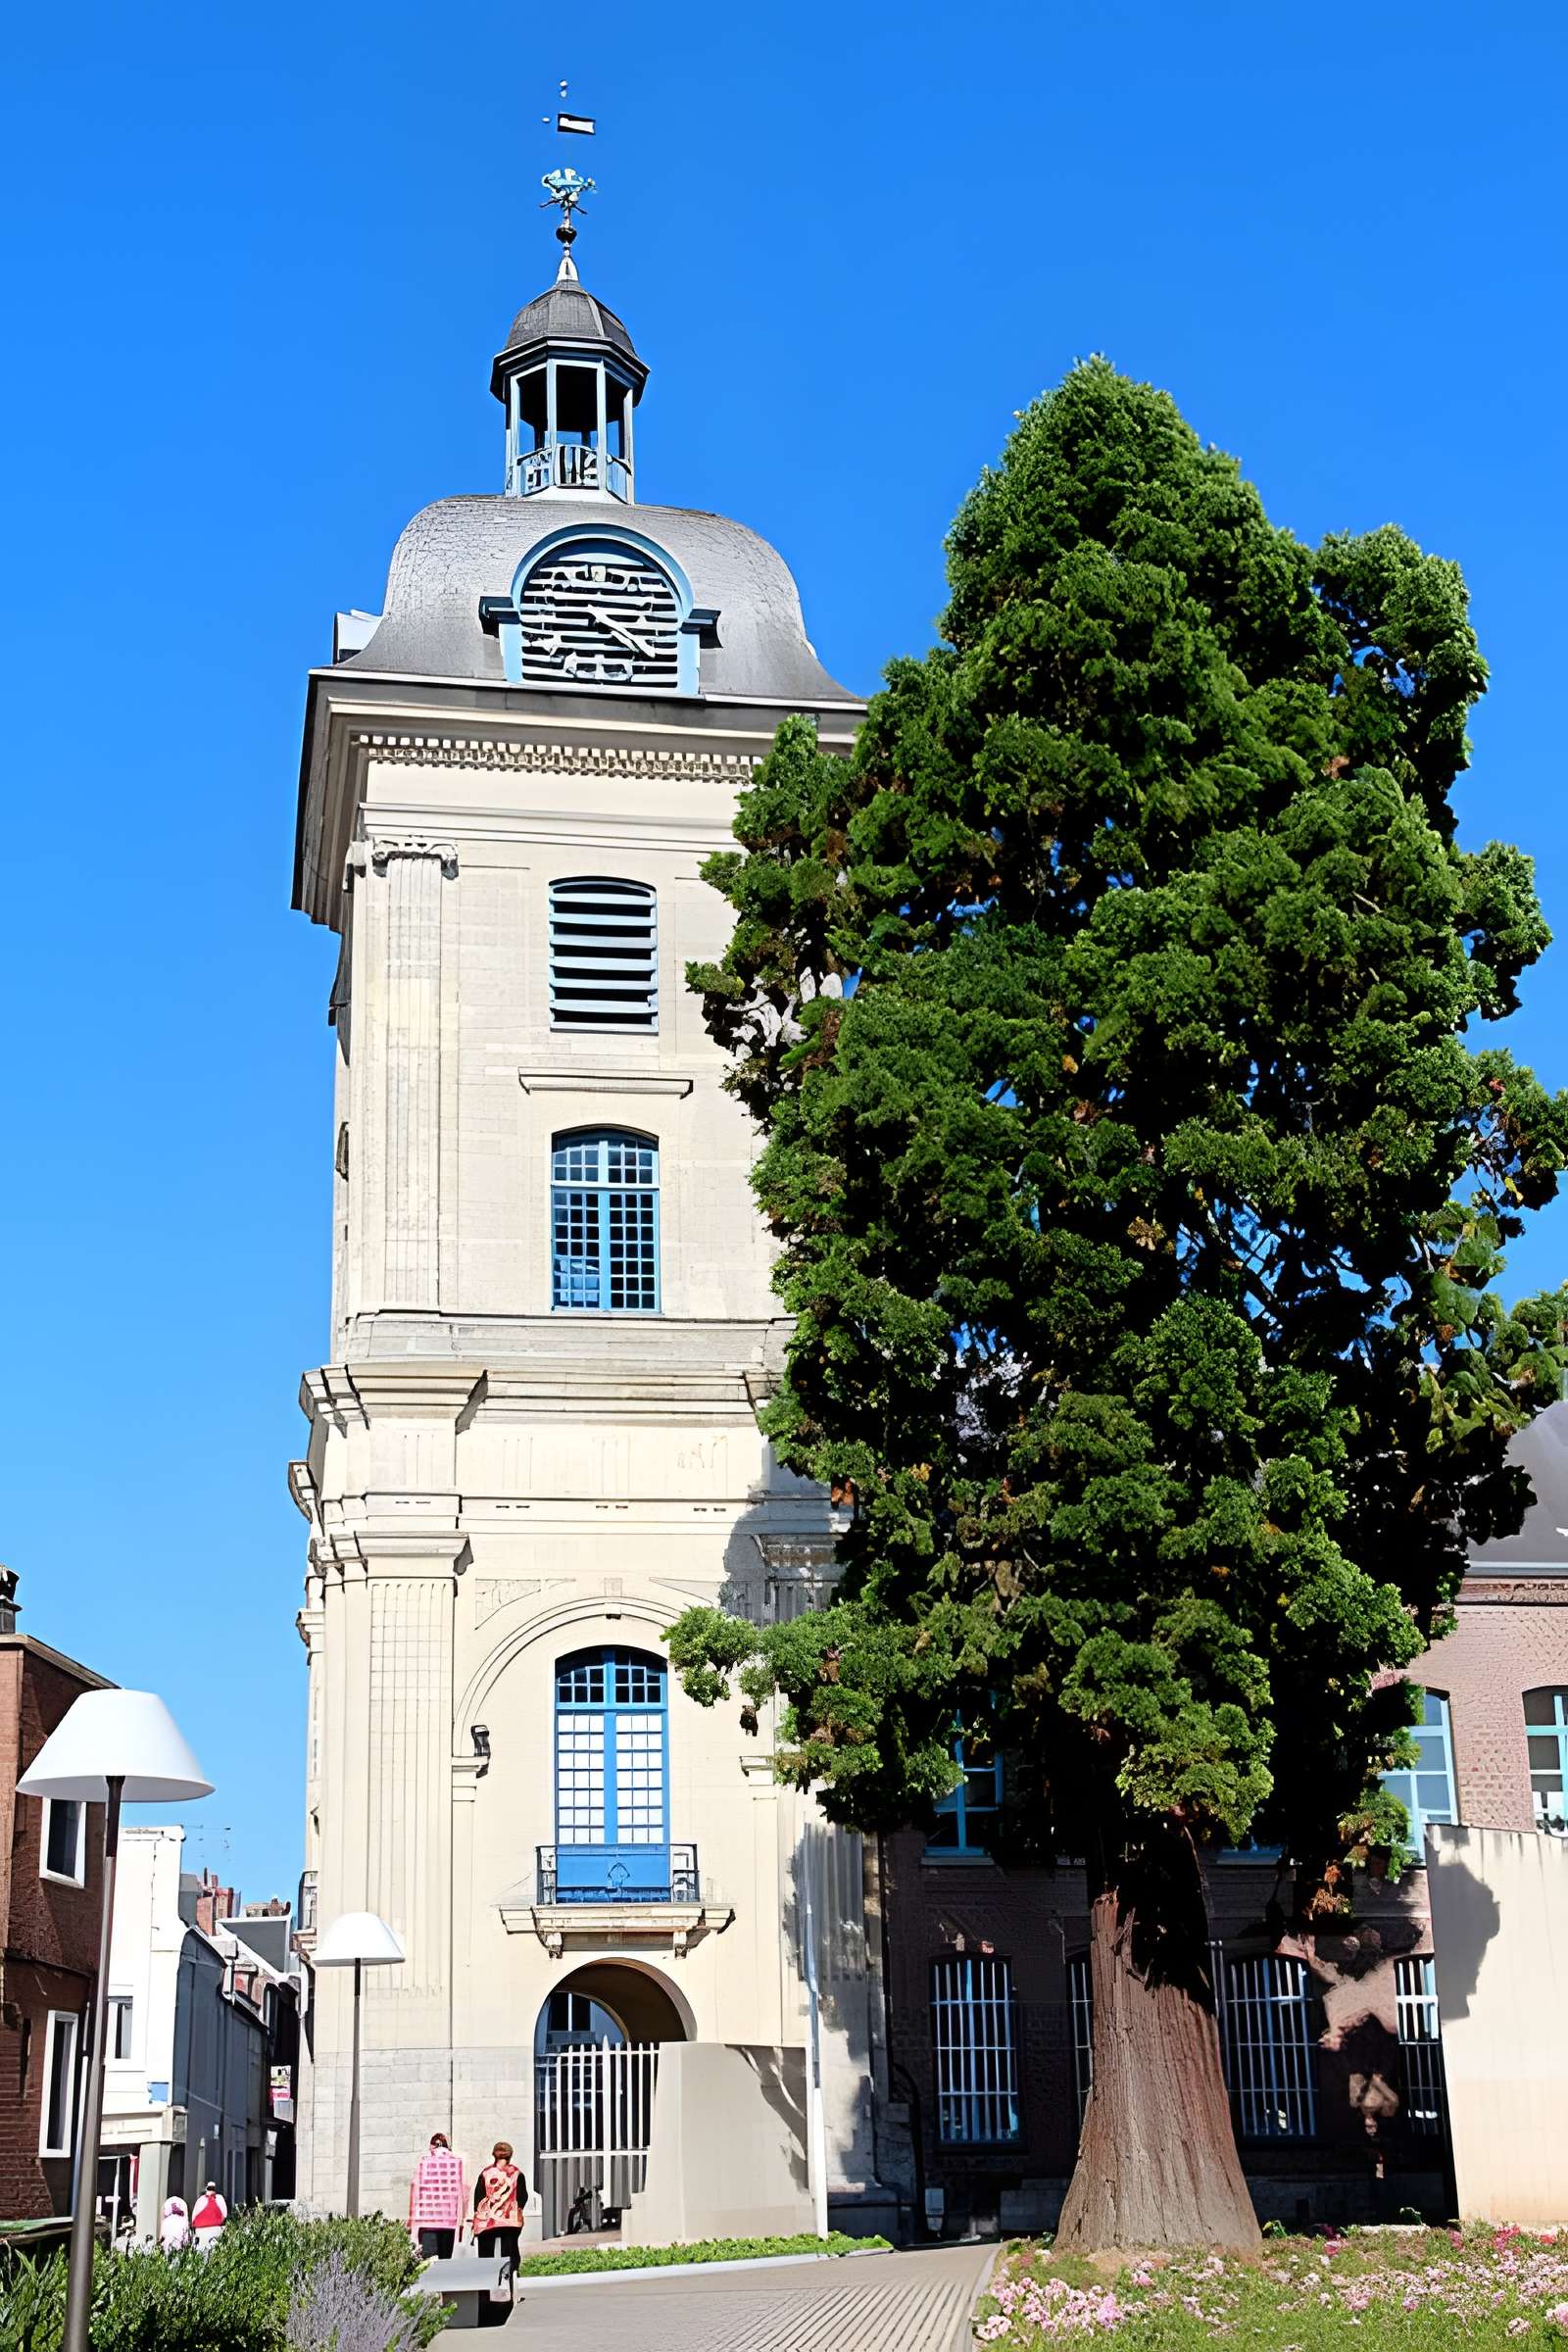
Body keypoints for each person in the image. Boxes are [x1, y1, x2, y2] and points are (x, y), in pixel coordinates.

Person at [472, 2141, 525, 2326]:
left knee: (485, 2260)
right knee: (509, 2258)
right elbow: (523, 2197)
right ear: (510, 2156)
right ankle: (510, 2295)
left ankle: (484, 2297)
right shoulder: (517, 2174)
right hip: (509, 2223)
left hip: (488, 2223)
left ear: (494, 2155)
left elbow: (478, 2197)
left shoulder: (485, 2174)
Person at [408, 2130, 466, 2260]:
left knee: (428, 2263)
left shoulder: (424, 2162)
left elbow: (415, 2190)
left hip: (428, 2220)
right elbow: (463, 2193)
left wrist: (412, 2220)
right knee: (445, 2263)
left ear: (432, 2146)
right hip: (449, 2221)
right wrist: (461, 2221)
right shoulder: (457, 2162)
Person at [190, 2180, 228, 2251]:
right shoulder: (220, 2198)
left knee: (201, 2254)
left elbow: (193, 2218)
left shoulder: (200, 2200)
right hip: (216, 2229)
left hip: (200, 2230)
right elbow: (225, 2215)